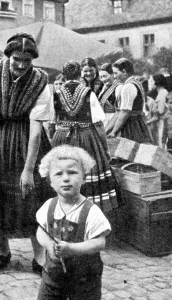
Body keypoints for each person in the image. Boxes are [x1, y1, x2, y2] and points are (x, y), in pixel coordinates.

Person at [0, 32, 54, 272]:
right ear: (8, 56)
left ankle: (39, 257)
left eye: (28, 60)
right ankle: (3, 251)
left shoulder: (40, 82)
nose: (22, 65)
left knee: (30, 197)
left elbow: (36, 131)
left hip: (23, 138)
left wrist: (27, 170)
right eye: (17, 58)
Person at [36, 145, 111, 300]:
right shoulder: (49, 206)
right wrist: (49, 246)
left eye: (72, 172)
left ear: (83, 177)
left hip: (85, 279)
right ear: (50, 182)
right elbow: (41, 231)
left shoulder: (90, 210)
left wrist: (72, 248)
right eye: (58, 174)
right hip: (53, 276)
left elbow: (100, 242)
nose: (66, 178)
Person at [50, 60, 121, 214]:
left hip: (62, 137)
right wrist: (104, 148)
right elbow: (99, 125)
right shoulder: (88, 93)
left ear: (64, 74)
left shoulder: (56, 94)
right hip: (86, 137)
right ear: (79, 74)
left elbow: (52, 121)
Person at [106, 58, 152, 143]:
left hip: (132, 126)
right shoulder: (134, 83)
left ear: (124, 72)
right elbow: (118, 113)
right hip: (135, 123)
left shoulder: (128, 87)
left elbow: (124, 113)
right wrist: (106, 130)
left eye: (116, 73)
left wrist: (113, 131)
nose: (114, 76)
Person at [98, 63, 122, 127]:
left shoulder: (119, 87)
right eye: (101, 77)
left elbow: (120, 111)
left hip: (113, 120)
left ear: (113, 75)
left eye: (105, 76)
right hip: (104, 119)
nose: (103, 79)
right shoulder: (104, 87)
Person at [149, 74, 169, 147]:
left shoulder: (162, 94)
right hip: (161, 122)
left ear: (156, 82)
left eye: (151, 81)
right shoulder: (163, 92)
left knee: (161, 144)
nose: (149, 83)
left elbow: (160, 111)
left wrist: (153, 109)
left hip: (162, 123)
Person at [139, 77, 158, 145]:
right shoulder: (137, 102)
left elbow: (155, 117)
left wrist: (147, 122)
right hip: (140, 129)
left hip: (150, 128)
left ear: (146, 91)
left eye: (142, 91)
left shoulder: (151, 101)